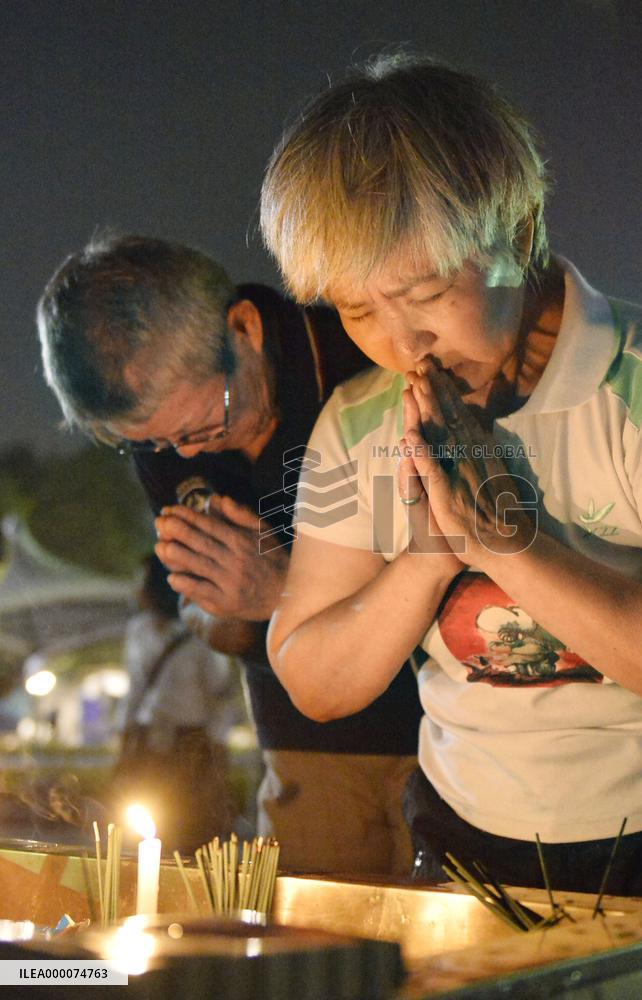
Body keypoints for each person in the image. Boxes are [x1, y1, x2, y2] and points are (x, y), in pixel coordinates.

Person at [260, 55, 642, 998]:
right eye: (356, 309)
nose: (402, 344)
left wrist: (507, 542)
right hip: (472, 848)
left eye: (428, 294)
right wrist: (429, 556)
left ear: (518, 228)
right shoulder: (357, 420)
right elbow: (312, 678)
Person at [36, 234, 423, 874]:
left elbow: (453, 557)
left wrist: (287, 592)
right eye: (155, 445)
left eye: (203, 426)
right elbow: (197, 609)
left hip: (438, 727)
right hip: (301, 744)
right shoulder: (164, 438)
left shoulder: (361, 355)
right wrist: (231, 607)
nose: (188, 456)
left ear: (244, 327)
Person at [115, 553, 237, 852]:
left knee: (188, 824)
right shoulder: (139, 630)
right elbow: (135, 688)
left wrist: (215, 744)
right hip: (148, 741)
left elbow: (219, 694)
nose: (137, 589)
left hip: (189, 744)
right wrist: (126, 734)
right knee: (146, 818)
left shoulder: (200, 629)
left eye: (143, 582)